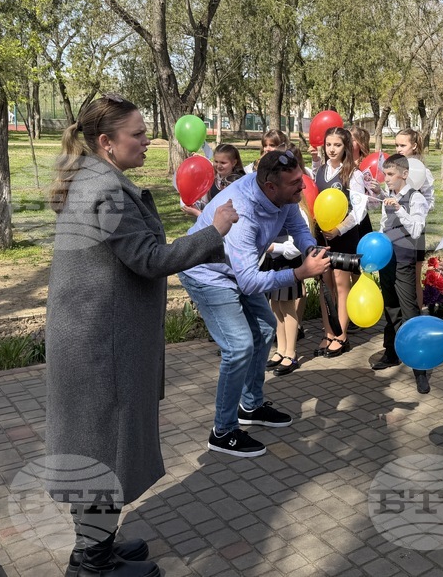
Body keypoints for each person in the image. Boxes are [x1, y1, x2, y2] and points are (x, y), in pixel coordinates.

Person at [45, 95, 237, 577]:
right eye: (137, 133)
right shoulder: (105, 191)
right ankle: (91, 564)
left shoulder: (93, 178)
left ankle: (97, 547)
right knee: (104, 451)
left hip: (94, 340)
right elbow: (149, 258)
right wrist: (213, 230)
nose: (148, 139)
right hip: (101, 346)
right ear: (106, 142)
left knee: (97, 447)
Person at [179, 150, 331, 458]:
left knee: (264, 328)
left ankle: (250, 405)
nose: (302, 189)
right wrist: (300, 273)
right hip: (207, 273)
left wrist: (310, 249)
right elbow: (249, 282)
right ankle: (222, 431)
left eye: (301, 181)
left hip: (238, 270)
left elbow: (298, 228)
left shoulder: (280, 197)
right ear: (271, 186)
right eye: (294, 185)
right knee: (238, 347)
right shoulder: (243, 211)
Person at [371, 154, 431, 394]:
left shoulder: (415, 198)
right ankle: (392, 352)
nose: (386, 179)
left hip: (404, 260)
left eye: (390, 175)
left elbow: (416, 230)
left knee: (409, 311)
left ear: (404, 174)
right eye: (385, 175)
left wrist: (399, 209)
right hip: (387, 258)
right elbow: (384, 226)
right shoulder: (389, 197)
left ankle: (420, 368)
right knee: (391, 307)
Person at [311, 126, 368, 357]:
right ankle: (328, 333)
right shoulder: (320, 170)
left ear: (346, 147)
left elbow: (360, 210)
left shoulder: (353, 174)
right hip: (322, 237)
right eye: (329, 145)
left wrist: (339, 229)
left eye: (337, 145)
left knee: (341, 285)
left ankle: (342, 335)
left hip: (344, 237)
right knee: (325, 286)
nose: (332, 149)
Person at [262, 145, 315, 376]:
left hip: (287, 262)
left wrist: (279, 247)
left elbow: (299, 241)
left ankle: (291, 353)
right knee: (275, 306)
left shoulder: (296, 209)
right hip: (273, 260)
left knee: (287, 307)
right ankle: (280, 349)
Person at [394, 128, 434, 311]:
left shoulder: (422, 172)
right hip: (395, 228)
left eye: (403, 145)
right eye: (396, 145)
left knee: (414, 276)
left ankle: (416, 317)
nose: (399, 149)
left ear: (414, 146)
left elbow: (429, 200)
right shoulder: (395, 168)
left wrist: (416, 214)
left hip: (414, 229)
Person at [181, 143, 246, 218]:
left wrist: (197, 213)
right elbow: (207, 206)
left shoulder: (238, 183)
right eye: (216, 161)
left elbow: (228, 219)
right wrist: (195, 206)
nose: (218, 166)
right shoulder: (212, 179)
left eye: (223, 163)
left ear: (234, 162)